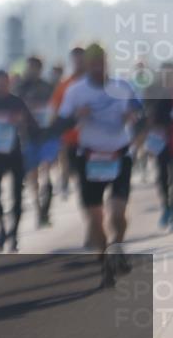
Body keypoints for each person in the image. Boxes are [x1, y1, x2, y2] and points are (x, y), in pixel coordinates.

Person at [47, 43, 143, 286]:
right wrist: (76, 116)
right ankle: (104, 260)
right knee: (95, 217)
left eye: (102, 62)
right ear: (87, 65)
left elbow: (140, 111)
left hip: (119, 153)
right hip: (89, 156)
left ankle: (117, 246)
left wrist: (132, 117)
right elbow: (60, 124)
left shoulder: (123, 86)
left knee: (118, 213)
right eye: (94, 63)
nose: (99, 67)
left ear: (107, 62)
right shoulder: (75, 91)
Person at [0, 70, 39, 252]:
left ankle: (14, 233)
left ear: (9, 83)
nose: (1, 86)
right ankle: (1, 229)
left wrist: (21, 121)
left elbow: (33, 124)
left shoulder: (16, 102)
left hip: (14, 153)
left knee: (17, 197)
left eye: (4, 83)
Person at [14, 56, 59, 226]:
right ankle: (39, 207)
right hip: (28, 137)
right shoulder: (20, 87)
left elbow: (55, 108)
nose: (32, 70)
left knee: (47, 170)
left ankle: (46, 201)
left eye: (36, 67)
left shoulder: (48, 87)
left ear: (40, 69)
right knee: (33, 176)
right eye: (30, 67)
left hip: (47, 136)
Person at [51, 47, 86, 199]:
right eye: (75, 58)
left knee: (84, 173)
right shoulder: (65, 84)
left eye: (81, 58)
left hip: (90, 137)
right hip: (69, 135)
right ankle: (64, 180)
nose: (78, 62)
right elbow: (55, 109)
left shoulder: (96, 82)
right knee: (66, 160)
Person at [143, 61, 172, 228]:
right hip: (161, 143)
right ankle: (166, 206)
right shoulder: (156, 93)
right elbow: (149, 117)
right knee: (162, 177)